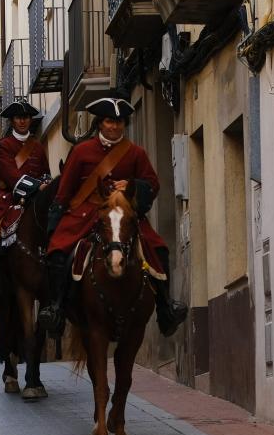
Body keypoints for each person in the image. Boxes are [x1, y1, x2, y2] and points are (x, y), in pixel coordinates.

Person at [37, 98, 188, 336]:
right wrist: (55, 223)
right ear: (100, 124)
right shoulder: (81, 152)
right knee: (57, 253)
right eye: (109, 121)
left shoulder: (136, 153)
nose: (114, 126)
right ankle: (56, 309)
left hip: (123, 214)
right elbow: (65, 190)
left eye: (118, 122)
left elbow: (153, 184)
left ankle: (165, 309)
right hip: (86, 212)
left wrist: (132, 184)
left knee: (159, 249)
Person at [0, 100, 50, 295]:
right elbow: (10, 175)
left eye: (25, 117)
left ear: (30, 120)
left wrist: (47, 184)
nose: (22, 121)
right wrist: (36, 186)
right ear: (12, 121)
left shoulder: (38, 146)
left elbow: (45, 172)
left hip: (38, 195)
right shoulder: (3, 145)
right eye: (18, 118)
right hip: (9, 195)